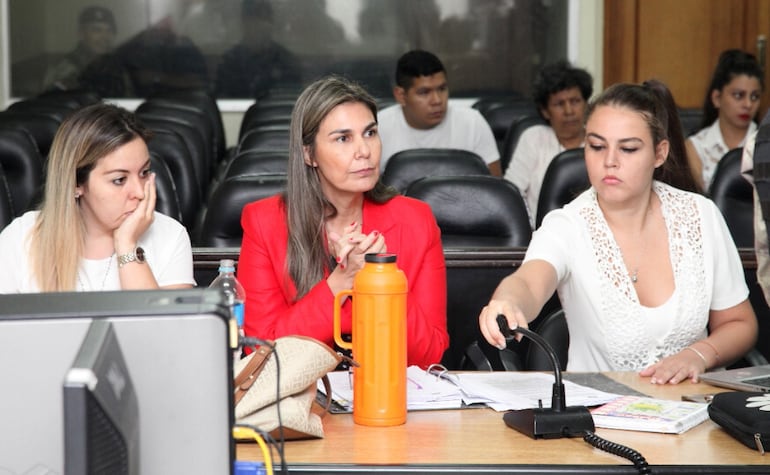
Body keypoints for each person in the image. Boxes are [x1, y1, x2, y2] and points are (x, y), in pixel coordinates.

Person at [479, 80, 757, 384]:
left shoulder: (700, 215)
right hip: (601, 415)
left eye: (628, 148)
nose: (609, 161)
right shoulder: (567, 224)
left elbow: (739, 323)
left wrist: (699, 355)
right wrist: (508, 301)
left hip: (695, 411)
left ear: (659, 153)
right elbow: (529, 283)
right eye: (596, 146)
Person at [237, 75, 448, 368]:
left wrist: (380, 278)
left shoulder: (416, 220)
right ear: (309, 154)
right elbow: (263, 356)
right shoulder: (263, 222)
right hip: (304, 402)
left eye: (370, 133)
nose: (364, 151)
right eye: (343, 138)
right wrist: (340, 283)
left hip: (388, 395)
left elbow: (429, 354)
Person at [0, 103, 195, 292]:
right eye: (119, 180)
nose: (140, 192)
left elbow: (158, 325)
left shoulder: (170, 236)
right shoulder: (21, 238)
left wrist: (127, 246)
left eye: (144, 172)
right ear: (76, 183)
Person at [377, 50, 500, 176]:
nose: (437, 100)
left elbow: (495, 189)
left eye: (442, 89)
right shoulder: (378, 129)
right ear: (401, 96)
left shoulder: (472, 123)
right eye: (424, 92)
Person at [503, 60, 593, 227]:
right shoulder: (533, 138)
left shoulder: (600, 140)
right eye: (559, 104)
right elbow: (511, 195)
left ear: (586, 104)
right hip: (537, 233)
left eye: (575, 101)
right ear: (545, 111)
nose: (569, 111)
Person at [686, 49, 763, 192]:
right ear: (717, 98)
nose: (748, 104)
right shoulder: (696, 148)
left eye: (754, 97)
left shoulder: (765, 143)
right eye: (739, 95)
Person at [215, 0, 302, 99]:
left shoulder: (286, 61)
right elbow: (224, 100)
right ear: (244, 23)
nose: (260, 25)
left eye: (265, 18)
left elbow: (293, 103)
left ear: (272, 23)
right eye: (254, 19)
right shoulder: (229, 62)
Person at [42, 6, 120, 91]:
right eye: (97, 30)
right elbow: (52, 101)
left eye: (109, 30)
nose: (105, 37)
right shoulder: (65, 69)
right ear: (81, 34)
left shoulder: (120, 64)